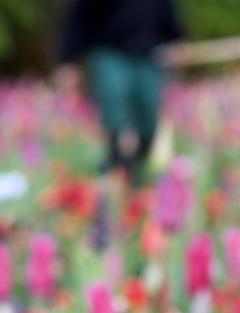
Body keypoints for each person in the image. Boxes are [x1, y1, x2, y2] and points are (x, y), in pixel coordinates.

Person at [58, 0, 182, 183]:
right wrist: (68, 58)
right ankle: (117, 168)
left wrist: (174, 39)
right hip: (107, 51)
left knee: (148, 110)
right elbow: (79, 16)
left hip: (146, 53)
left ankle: (138, 166)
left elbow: (165, 10)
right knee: (115, 105)